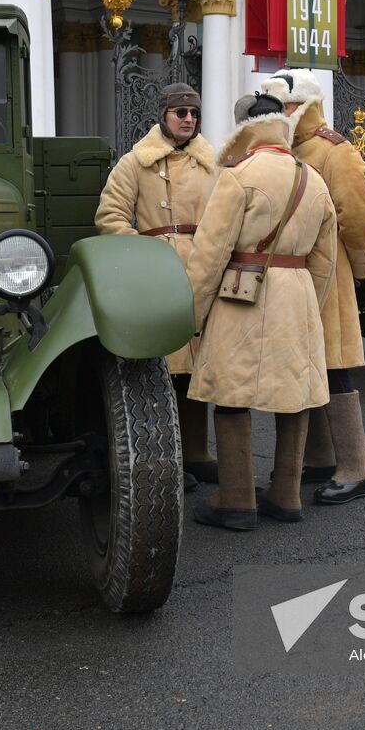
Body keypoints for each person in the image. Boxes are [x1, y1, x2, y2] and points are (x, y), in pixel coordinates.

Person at [185, 92, 337, 531]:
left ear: (242, 129)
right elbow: (324, 261)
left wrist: (192, 315)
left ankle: (236, 499)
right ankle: (286, 495)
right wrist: (312, 304)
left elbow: (210, 253)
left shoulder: (238, 175)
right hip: (298, 293)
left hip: (242, 294)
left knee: (233, 396)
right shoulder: (312, 178)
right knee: (294, 397)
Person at [260, 69, 365, 505]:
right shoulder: (283, 151)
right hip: (292, 274)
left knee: (333, 367)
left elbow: (360, 219)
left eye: (285, 106)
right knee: (305, 365)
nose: (279, 114)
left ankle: (356, 468)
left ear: (302, 106)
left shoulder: (334, 151)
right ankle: (320, 460)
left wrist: (357, 268)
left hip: (329, 274)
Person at [95, 83, 218, 488]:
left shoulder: (213, 163)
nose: (188, 119)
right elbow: (110, 216)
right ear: (163, 115)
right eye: (180, 111)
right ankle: (168, 462)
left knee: (200, 371)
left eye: (193, 113)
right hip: (158, 275)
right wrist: (146, 255)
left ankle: (198, 454)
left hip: (203, 271)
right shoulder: (135, 163)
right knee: (162, 371)